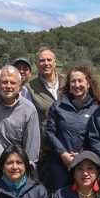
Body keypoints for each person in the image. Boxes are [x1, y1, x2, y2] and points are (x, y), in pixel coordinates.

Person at [45, 66, 100, 189]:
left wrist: (82, 155)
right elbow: (50, 132)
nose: (77, 85)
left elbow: (97, 137)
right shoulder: (57, 106)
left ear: (88, 84)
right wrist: (63, 154)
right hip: (60, 165)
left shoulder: (96, 109)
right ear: (69, 84)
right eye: (73, 81)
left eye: (80, 81)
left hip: (86, 165)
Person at [26, 47, 60, 183]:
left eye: (49, 60)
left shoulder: (68, 82)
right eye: (41, 60)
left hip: (69, 147)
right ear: (36, 64)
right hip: (45, 151)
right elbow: (27, 120)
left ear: (55, 62)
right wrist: (36, 147)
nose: (46, 63)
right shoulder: (30, 88)